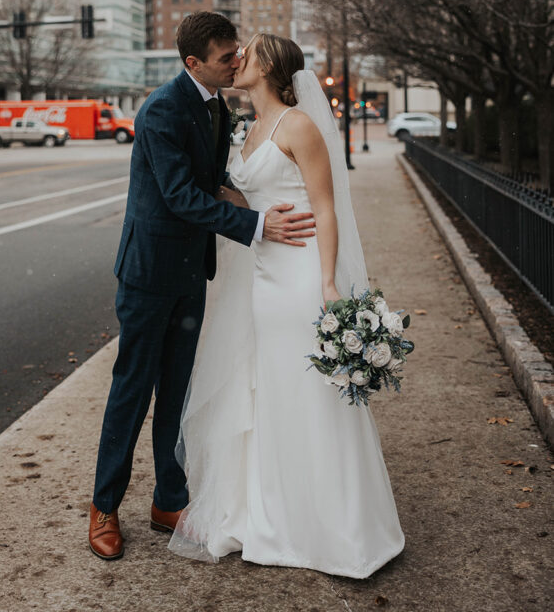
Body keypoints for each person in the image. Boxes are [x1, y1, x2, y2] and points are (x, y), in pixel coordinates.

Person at [169, 32, 405, 578]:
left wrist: (327, 284)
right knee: (269, 392)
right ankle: (271, 513)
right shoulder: (248, 130)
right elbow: (246, 197)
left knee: (309, 395)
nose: (240, 55)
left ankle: (335, 526)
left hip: (298, 275)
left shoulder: (299, 125)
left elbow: (326, 209)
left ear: (273, 65)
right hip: (259, 276)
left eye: (249, 49)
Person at [89, 13, 316, 560]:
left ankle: (169, 499)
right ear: (194, 63)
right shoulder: (162, 109)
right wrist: (259, 226)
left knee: (178, 391)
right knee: (132, 390)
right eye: (225, 57)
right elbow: (180, 196)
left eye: (238, 53)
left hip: (192, 273)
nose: (236, 62)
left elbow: (215, 181)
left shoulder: (217, 106)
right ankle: (103, 508)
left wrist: (251, 197)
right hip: (148, 275)